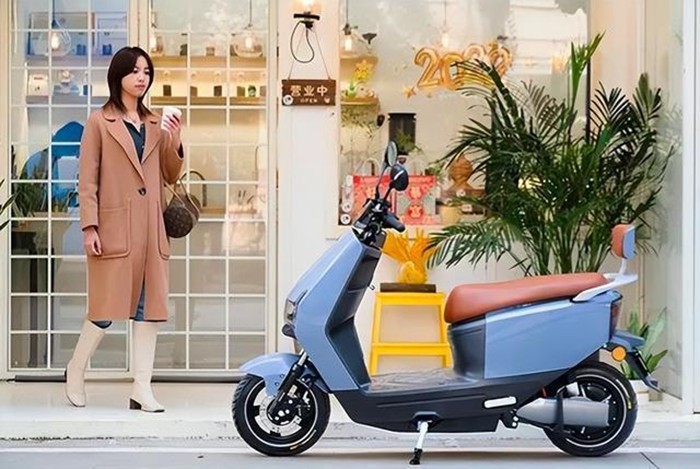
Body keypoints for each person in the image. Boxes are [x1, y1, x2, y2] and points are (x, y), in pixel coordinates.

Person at [65, 46, 184, 413]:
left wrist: (175, 139)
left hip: (151, 230)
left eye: (146, 71)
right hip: (114, 229)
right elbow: (87, 180)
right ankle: (76, 369)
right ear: (118, 76)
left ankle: (141, 388)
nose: (141, 77)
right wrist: (90, 227)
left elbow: (169, 174)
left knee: (150, 311)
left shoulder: (155, 123)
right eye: (134, 71)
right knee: (103, 308)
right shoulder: (99, 122)